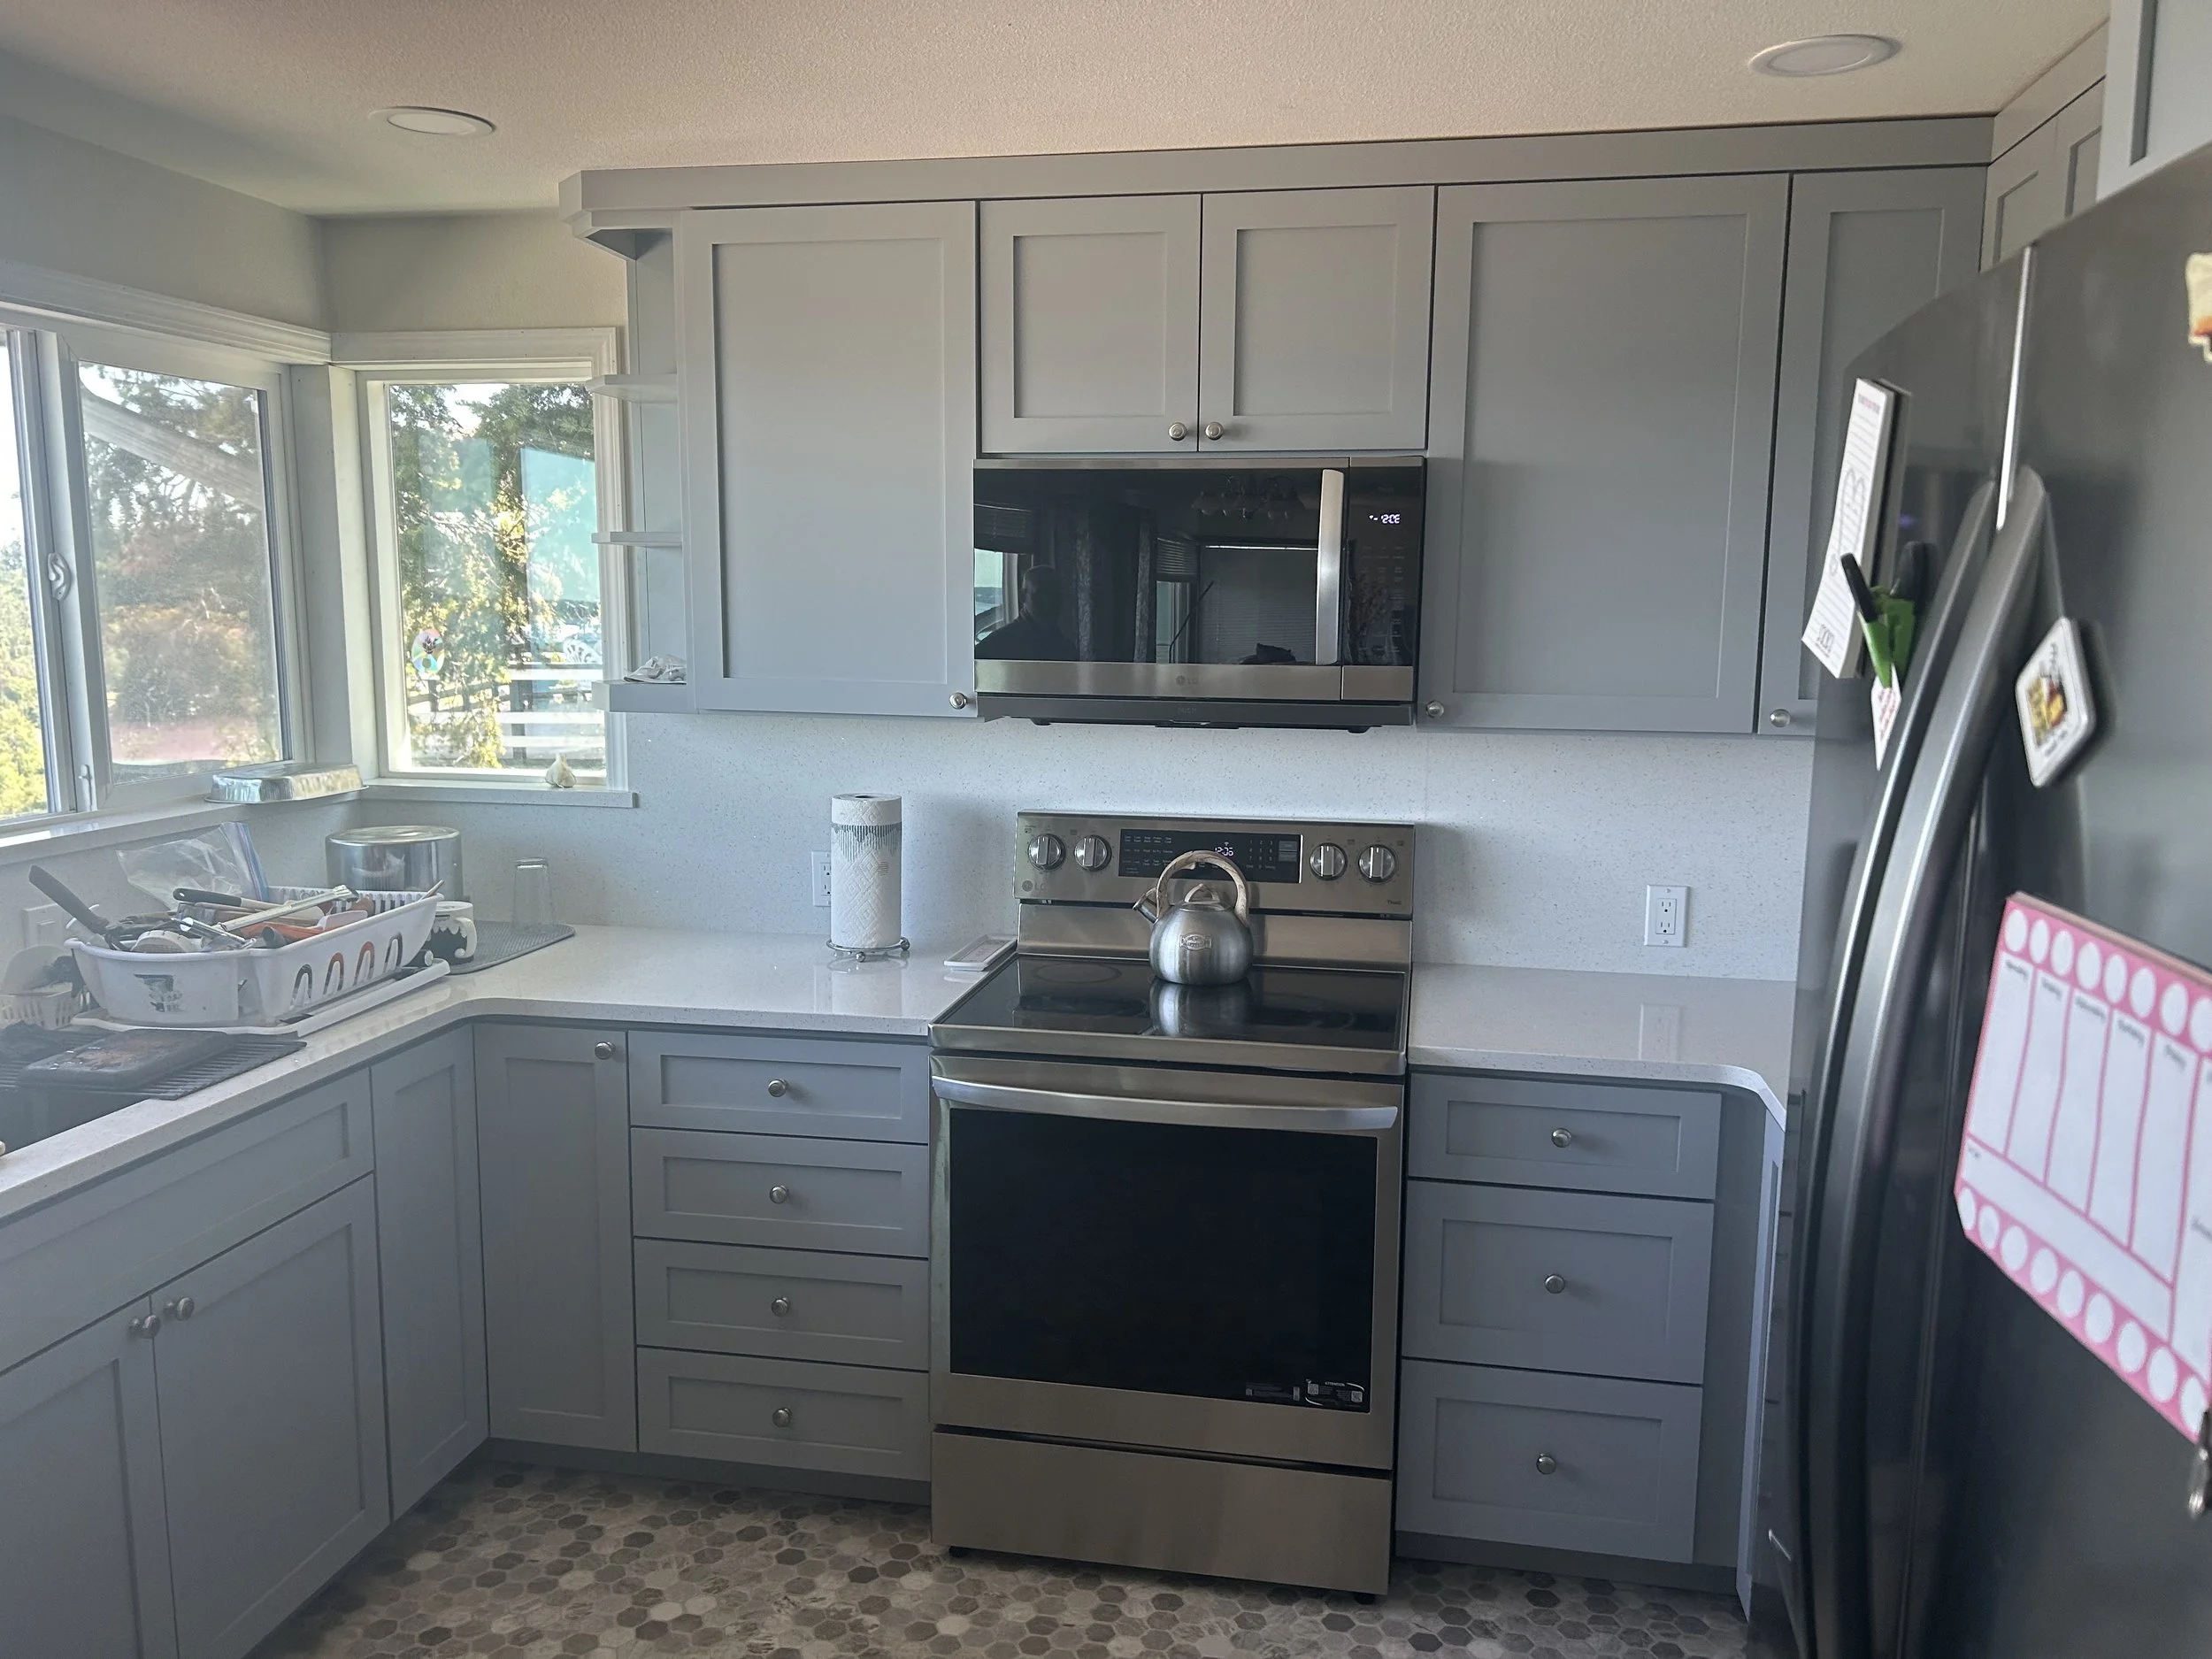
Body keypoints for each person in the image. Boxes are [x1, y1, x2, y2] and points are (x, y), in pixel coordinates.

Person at [975, 564, 1077, 660]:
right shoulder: (998, 645)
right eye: (1042, 594)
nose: (1050, 601)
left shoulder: (1065, 646)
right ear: (1022, 596)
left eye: (1056, 594)